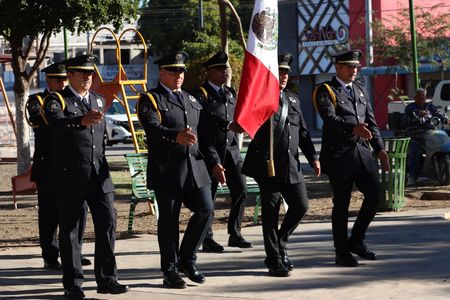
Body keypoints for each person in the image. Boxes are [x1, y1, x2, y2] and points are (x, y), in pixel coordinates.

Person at [43, 55, 129, 299]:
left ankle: (107, 279)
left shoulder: (98, 100)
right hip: (70, 177)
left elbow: (99, 141)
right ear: (69, 75)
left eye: (90, 74)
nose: (87, 78)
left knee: (108, 224)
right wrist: (80, 120)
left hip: (98, 176)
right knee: (71, 231)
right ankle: (72, 284)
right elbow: (57, 125)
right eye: (81, 73)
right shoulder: (56, 99)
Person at [137, 51, 213, 289]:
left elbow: (204, 135)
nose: (178, 75)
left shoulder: (191, 99)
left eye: (181, 71)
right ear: (162, 73)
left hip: (194, 168)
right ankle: (169, 271)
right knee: (169, 224)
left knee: (206, 210)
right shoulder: (151, 99)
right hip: (168, 170)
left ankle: (187, 259)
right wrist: (175, 137)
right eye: (173, 71)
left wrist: (214, 161)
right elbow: (151, 128)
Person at [242, 52, 320, 277]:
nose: (284, 76)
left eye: (286, 72)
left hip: (291, 166)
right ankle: (274, 259)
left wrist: (313, 156)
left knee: (301, 205)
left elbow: (303, 133)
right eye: (280, 72)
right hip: (268, 165)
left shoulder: (294, 99)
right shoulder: (259, 98)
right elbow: (246, 122)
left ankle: (280, 242)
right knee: (270, 213)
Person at [313, 49, 390, 267]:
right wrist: (353, 128)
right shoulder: (326, 90)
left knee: (375, 196)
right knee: (342, 204)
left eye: (356, 66)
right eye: (349, 66)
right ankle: (342, 251)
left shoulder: (360, 88)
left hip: (361, 153)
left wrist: (380, 149)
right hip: (338, 156)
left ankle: (356, 241)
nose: (354, 70)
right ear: (337, 67)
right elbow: (329, 119)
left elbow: (371, 121)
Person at [26, 63, 91, 270]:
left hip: (71, 164)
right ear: (48, 81)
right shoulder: (37, 101)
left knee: (79, 210)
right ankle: (50, 254)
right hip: (48, 166)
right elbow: (49, 124)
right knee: (50, 212)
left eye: (64, 79)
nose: (62, 83)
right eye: (57, 80)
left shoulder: (73, 101)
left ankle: (74, 252)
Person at [192, 51, 253, 253]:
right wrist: (228, 125)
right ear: (209, 71)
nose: (224, 73)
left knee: (241, 190)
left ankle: (235, 233)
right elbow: (204, 120)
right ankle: (207, 238)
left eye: (225, 69)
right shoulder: (200, 94)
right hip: (211, 150)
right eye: (219, 69)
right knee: (209, 196)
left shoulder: (230, 93)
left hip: (231, 151)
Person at [404, 88, 449, 185]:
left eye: (423, 95)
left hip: (430, 133)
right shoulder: (409, 108)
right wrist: (417, 115)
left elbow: (437, 113)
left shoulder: (429, 106)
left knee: (443, 144)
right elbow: (406, 120)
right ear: (415, 97)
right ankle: (412, 176)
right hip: (415, 135)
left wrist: (445, 118)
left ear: (425, 97)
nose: (421, 97)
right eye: (419, 95)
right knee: (415, 150)